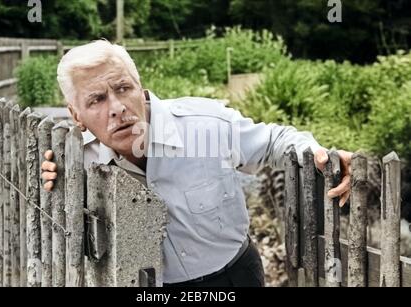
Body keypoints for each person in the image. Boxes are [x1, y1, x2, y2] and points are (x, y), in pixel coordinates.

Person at [41, 39, 353, 287]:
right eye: (97, 99)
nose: (118, 108)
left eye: (123, 88)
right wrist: (51, 188)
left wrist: (320, 156)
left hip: (233, 276)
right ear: (76, 116)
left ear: (140, 87)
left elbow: (276, 141)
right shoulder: (73, 163)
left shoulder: (207, 126)